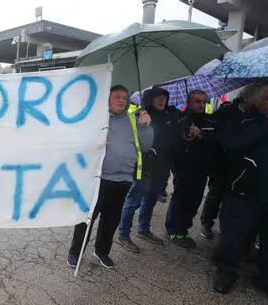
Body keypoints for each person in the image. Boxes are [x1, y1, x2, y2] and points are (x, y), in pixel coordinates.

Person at [213, 84, 268, 304]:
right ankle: (226, 273)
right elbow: (231, 144)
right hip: (245, 191)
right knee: (234, 237)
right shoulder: (245, 120)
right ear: (258, 101)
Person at [67, 85, 153, 269]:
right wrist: (94, 142)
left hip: (123, 180)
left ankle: (102, 251)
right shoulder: (96, 119)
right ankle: (76, 252)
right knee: (87, 218)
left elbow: (145, 146)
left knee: (111, 220)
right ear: (107, 98)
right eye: (117, 96)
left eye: (125, 97)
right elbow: (79, 143)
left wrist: (146, 127)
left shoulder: (133, 120)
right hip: (99, 179)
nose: (122, 100)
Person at [116, 88, 176, 253]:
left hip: (161, 168)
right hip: (144, 167)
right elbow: (130, 141)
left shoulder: (168, 116)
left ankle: (143, 229)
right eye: (157, 97)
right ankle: (123, 235)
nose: (161, 100)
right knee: (133, 201)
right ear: (149, 99)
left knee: (150, 200)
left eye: (164, 97)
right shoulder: (138, 115)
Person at [199, 84, 259, 239]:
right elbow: (210, 129)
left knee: (232, 196)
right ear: (246, 97)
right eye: (256, 95)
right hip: (221, 159)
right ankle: (206, 222)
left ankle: (227, 227)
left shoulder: (256, 115)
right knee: (215, 192)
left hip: (241, 163)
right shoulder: (226, 111)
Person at [166, 90, 219, 248]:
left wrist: (201, 135)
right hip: (183, 166)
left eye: (203, 102)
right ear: (189, 102)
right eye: (197, 101)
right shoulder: (180, 119)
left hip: (202, 168)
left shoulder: (210, 120)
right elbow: (173, 141)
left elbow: (218, 139)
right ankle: (174, 229)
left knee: (194, 200)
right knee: (180, 198)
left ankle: (184, 229)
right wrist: (187, 135)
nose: (201, 105)